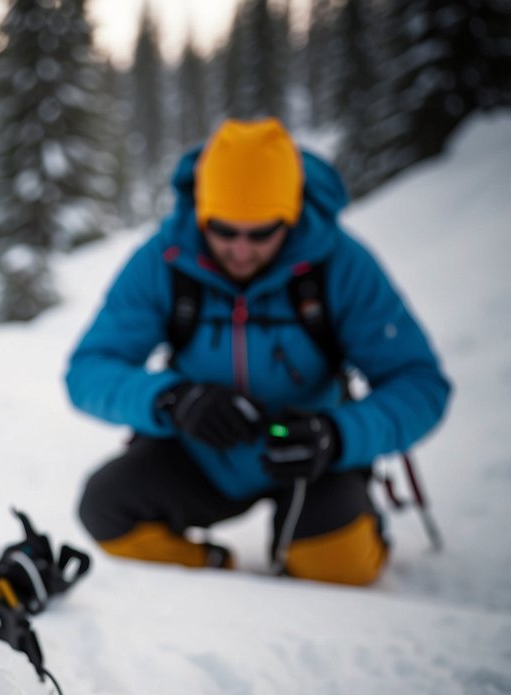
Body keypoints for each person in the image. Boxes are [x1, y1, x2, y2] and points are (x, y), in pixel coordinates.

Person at [65, 118, 451, 585]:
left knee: (338, 569)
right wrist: (172, 399)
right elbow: (88, 371)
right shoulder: (164, 260)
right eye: (223, 231)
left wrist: (337, 434)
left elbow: (420, 384)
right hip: (201, 450)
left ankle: (339, 534)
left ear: (289, 215)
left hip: (315, 457)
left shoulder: (341, 263)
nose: (241, 250)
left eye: (262, 232)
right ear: (202, 212)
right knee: (104, 509)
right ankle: (219, 574)